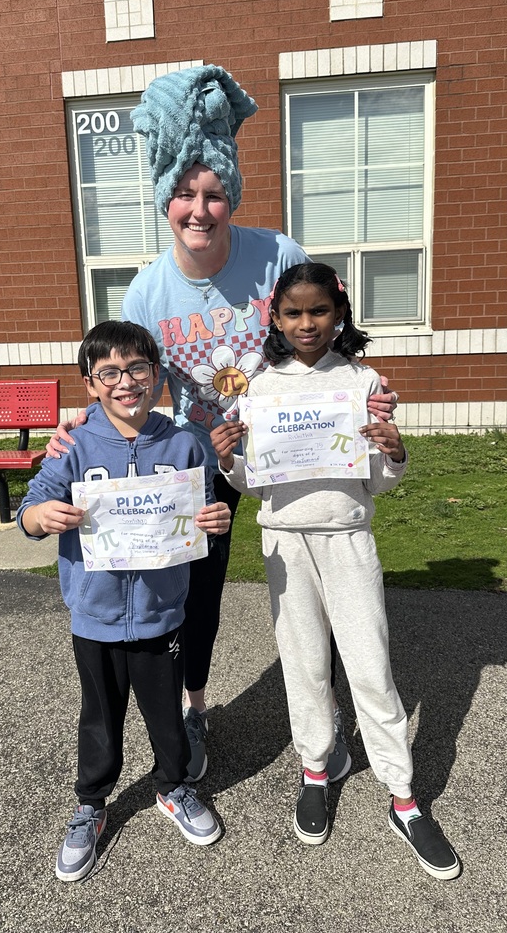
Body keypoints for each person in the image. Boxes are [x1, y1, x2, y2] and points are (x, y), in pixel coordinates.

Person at [48, 64, 397, 782]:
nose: (199, 209)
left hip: (289, 450)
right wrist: (78, 430)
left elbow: (323, 338)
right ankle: (194, 707)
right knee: (196, 591)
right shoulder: (149, 287)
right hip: (205, 453)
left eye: (212, 194)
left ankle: (329, 709)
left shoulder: (277, 255)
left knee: (320, 575)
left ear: (230, 197)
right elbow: (129, 376)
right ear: (165, 200)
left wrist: (366, 394)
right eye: (184, 194)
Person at [210, 262, 461, 881]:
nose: (306, 323)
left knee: (371, 667)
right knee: (304, 666)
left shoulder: (362, 380)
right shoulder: (260, 387)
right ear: (275, 318)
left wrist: (396, 453)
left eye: (318, 311)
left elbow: (376, 477)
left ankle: (403, 798)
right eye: (293, 313)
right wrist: (228, 464)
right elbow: (255, 479)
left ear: (339, 313)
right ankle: (318, 769)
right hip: (286, 545)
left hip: (348, 538)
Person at [18, 320, 231, 882]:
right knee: (100, 716)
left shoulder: (186, 442)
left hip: (164, 613)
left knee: (166, 713)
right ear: (89, 383)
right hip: (96, 613)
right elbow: (32, 506)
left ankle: (173, 786)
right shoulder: (72, 443)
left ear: (156, 375)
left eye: (137, 368)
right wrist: (42, 518)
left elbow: (207, 510)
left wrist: (217, 519)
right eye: (108, 372)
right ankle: (91, 802)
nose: (125, 382)